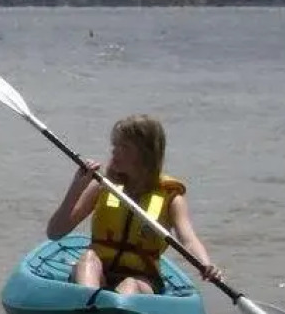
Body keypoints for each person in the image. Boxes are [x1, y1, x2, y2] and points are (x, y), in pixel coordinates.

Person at [45, 113, 221, 294]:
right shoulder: (104, 187)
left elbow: (189, 240)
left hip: (143, 277)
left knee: (130, 285)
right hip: (99, 270)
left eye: (124, 147)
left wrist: (205, 263)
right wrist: (76, 188)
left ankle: (115, 308)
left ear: (145, 154)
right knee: (88, 260)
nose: (114, 151)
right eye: (115, 145)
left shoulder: (171, 198)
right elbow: (55, 232)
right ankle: (90, 301)